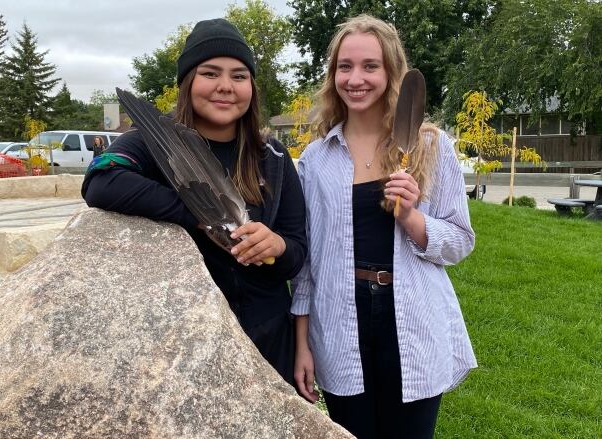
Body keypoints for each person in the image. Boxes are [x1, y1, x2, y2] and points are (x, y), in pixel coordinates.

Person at [82, 18, 307, 385]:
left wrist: (278, 245)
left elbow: (296, 254)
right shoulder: (153, 142)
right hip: (183, 342)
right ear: (188, 82)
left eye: (238, 75)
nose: (225, 87)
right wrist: (201, 212)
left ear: (251, 85)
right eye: (210, 73)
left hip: (268, 339)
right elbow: (101, 179)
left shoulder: (274, 157)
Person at [291, 15, 477, 439]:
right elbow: (308, 263)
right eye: (345, 66)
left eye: (370, 66)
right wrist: (301, 343)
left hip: (411, 319)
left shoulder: (430, 146)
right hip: (339, 323)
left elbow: (460, 241)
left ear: (392, 71)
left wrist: (412, 217)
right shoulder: (317, 159)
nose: (355, 78)